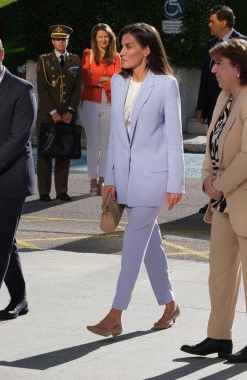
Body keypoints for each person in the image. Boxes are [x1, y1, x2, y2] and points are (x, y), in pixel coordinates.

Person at [86, 23, 185, 338]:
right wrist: (111, 177)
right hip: (125, 178)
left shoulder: (166, 85)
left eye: (129, 46)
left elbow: (174, 138)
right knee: (150, 243)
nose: (122, 52)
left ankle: (115, 314)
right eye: (122, 46)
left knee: (132, 242)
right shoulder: (117, 81)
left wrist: (176, 184)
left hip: (155, 179)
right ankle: (170, 304)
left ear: (147, 50)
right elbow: (116, 136)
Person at [181, 38, 247, 363]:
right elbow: (212, 145)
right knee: (219, 274)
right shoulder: (224, 96)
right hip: (222, 204)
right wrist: (208, 179)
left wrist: (220, 183)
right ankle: (219, 337)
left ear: (238, 67)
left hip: (242, 200)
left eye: (219, 64)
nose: (213, 70)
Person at [0, 33, 37, 319]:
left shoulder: (22, 89)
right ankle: (19, 298)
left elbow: (17, 139)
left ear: (1, 54)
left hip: (10, 180)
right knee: (5, 239)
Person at [196, 5, 246, 214]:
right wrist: (201, 106)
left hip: (239, 203)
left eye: (212, 21)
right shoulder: (211, 45)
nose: (209, 25)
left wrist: (219, 186)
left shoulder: (243, 44)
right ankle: (212, 198)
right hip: (218, 104)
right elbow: (205, 78)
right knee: (216, 145)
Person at [37, 25, 81, 202]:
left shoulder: (76, 60)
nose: (61, 42)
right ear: (52, 41)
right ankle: (44, 192)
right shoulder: (44, 60)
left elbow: (78, 88)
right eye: (58, 39)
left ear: (68, 40)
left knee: (64, 152)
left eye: (64, 39)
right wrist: (53, 112)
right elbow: (42, 88)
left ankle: (62, 190)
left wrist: (70, 111)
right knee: (45, 154)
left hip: (67, 114)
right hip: (48, 115)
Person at [80, 23, 121, 196]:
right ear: (95, 39)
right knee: (92, 144)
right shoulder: (87, 54)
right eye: (100, 36)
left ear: (110, 38)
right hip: (90, 103)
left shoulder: (117, 57)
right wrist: (107, 79)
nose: (103, 39)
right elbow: (86, 78)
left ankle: (102, 179)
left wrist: (100, 79)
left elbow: (119, 78)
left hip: (110, 104)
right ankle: (92, 180)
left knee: (105, 145)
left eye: (106, 36)